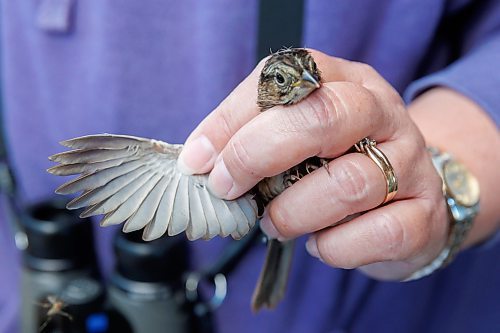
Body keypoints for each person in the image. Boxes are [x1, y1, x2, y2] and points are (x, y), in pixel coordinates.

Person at [1, 1, 499, 332]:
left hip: (367, 305)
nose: (305, 86)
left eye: (310, 80)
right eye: (287, 82)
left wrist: (438, 174)